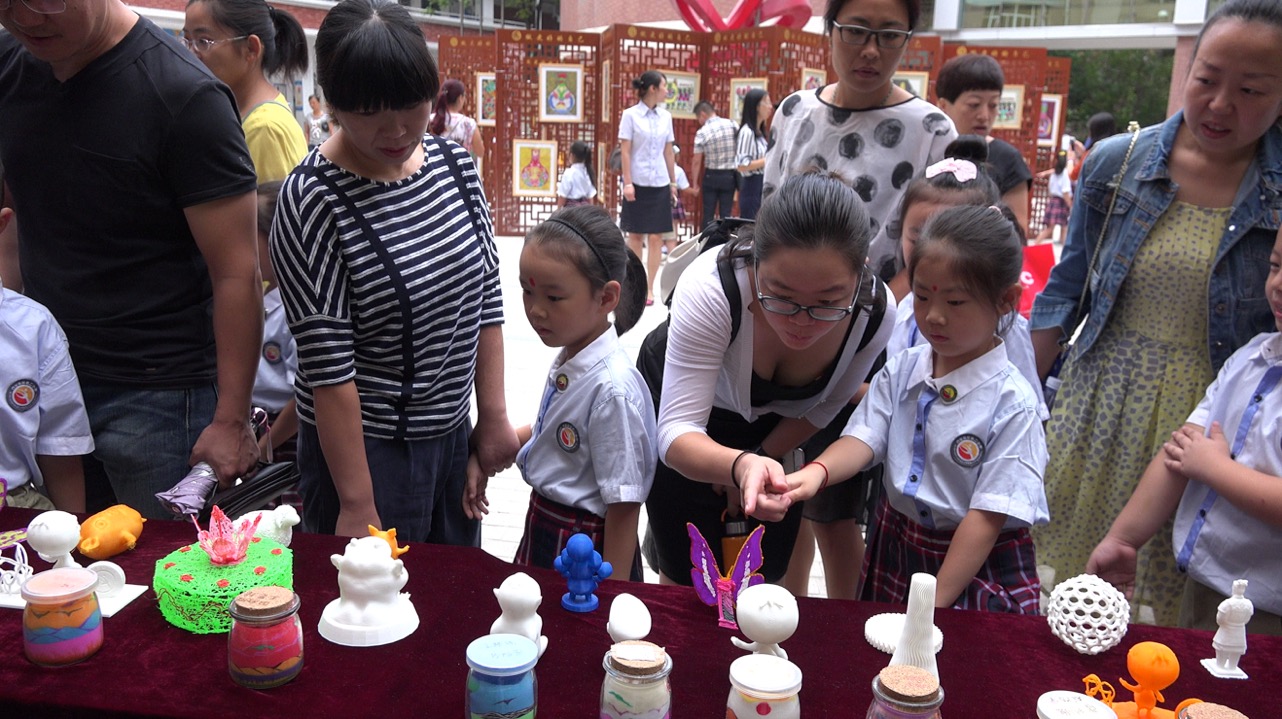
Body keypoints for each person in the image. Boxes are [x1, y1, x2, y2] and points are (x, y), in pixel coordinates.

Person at [1030, 0, 1282, 626]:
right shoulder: (1117, 163)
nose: (1220, 104)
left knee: (1172, 614)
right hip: (1096, 407)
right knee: (1064, 587)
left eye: (1251, 90)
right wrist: (1024, 402)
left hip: (1208, 429)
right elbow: (1065, 292)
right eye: (1207, 79)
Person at [0, 0, 263, 519]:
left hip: (157, 395)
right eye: (7, 4)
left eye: (47, 1)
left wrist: (231, 420)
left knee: (163, 564)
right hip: (45, 381)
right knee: (58, 559)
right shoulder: (11, 66)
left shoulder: (183, 95)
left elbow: (237, 273)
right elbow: (15, 214)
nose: (26, 18)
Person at [270, 0, 519, 543]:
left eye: (411, 104)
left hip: (451, 438)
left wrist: (493, 415)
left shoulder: (454, 166)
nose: (397, 128)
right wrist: (357, 502)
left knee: (454, 588)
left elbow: (486, 296)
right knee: (376, 594)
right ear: (333, 104)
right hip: (367, 453)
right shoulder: (313, 199)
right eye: (369, 111)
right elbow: (329, 369)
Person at [751, 205, 1049, 612]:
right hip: (898, 540)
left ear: (1006, 300)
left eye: (956, 302)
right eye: (922, 296)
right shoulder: (904, 368)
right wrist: (815, 474)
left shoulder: (1013, 405)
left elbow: (986, 518)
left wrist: (929, 606)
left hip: (972, 559)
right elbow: (865, 436)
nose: (934, 316)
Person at [641, 172, 893, 587]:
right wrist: (738, 466)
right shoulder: (712, 288)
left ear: (861, 275)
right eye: (781, 296)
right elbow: (676, 431)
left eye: (828, 302)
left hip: (784, 428)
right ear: (754, 263)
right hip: (691, 402)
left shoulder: (875, 314)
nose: (801, 321)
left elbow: (825, 407)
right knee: (687, 564)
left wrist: (761, 456)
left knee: (765, 566)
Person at [1085, 229, 1282, 635]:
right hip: (1206, 585)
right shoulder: (1252, 358)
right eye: (1276, 266)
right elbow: (1181, 451)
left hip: (1268, 610)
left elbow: (1199, 459)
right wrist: (1124, 539)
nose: (1277, 284)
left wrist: (1214, 469)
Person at [465, 205, 655, 580]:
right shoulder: (575, 355)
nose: (535, 311)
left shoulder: (612, 390)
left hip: (586, 548)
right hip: (548, 524)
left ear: (606, 298)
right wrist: (485, 455)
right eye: (527, 290)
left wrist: (612, 595)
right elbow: (554, 434)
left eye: (553, 298)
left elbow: (624, 505)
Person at [764, 0, 956, 285]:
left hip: (884, 303)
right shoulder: (794, 111)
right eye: (855, 31)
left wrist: (881, 307)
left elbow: (940, 245)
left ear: (907, 40)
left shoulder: (932, 130)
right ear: (830, 30)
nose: (871, 51)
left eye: (889, 36)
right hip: (791, 300)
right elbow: (769, 217)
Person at [0, 173, 92, 513]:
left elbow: (60, 452)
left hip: (14, 505)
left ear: (2, 223)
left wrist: (70, 532)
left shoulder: (32, 327)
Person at [183, 0, 309, 183]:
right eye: (187, 40)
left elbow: (270, 202)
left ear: (251, 49)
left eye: (203, 41)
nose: (191, 54)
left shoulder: (265, 129)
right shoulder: (236, 114)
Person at [934, 53, 1034, 234]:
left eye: (993, 105)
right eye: (974, 104)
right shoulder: (929, 149)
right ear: (942, 105)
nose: (984, 116)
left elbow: (1017, 232)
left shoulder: (1008, 159)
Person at [619, 69, 677, 306]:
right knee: (635, 236)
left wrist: (673, 182)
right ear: (653, 89)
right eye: (664, 86)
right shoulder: (630, 115)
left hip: (660, 183)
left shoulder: (666, 117)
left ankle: (650, 288)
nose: (666, 91)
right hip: (637, 182)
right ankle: (635, 285)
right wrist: (628, 182)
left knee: (656, 238)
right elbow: (625, 151)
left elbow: (668, 152)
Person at [252, 180, 298, 462]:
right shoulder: (263, 295)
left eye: (251, 235)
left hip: (282, 435)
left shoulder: (297, 309)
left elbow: (306, 397)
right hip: (257, 423)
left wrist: (262, 449)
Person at [691, 101, 738, 231]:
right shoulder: (732, 124)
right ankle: (725, 240)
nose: (699, 121)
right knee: (726, 214)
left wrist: (694, 183)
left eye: (698, 118)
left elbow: (696, 160)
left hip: (711, 176)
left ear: (702, 114)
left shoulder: (702, 132)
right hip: (729, 175)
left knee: (708, 213)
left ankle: (707, 241)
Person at [429, 78, 485, 173]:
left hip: (436, 171)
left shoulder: (430, 120)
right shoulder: (468, 124)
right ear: (460, 98)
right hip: (461, 172)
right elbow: (480, 152)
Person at [735, 89, 773, 221]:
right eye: (766, 102)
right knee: (751, 224)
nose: (770, 107)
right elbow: (742, 165)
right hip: (752, 185)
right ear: (756, 106)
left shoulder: (760, 133)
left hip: (762, 183)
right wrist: (769, 159)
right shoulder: (747, 132)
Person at [1033, 152, 1072, 244]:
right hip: (1061, 201)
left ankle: (1036, 243)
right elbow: (1065, 192)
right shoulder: (1064, 174)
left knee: (1058, 226)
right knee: (1060, 227)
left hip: (1053, 200)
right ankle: (1036, 244)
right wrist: (1070, 205)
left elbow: (1050, 190)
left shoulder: (1054, 173)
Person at [1069, 111, 1117, 183]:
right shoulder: (1116, 150)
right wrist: (1083, 153)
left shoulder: (1091, 153)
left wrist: (1070, 159)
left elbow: (1073, 175)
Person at [557, 140, 596, 207]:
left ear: (572, 155)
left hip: (571, 209)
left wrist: (558, 210)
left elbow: (563, 196)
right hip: (585, 209)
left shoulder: (569, 173)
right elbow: (590, 197)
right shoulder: (588, 172)